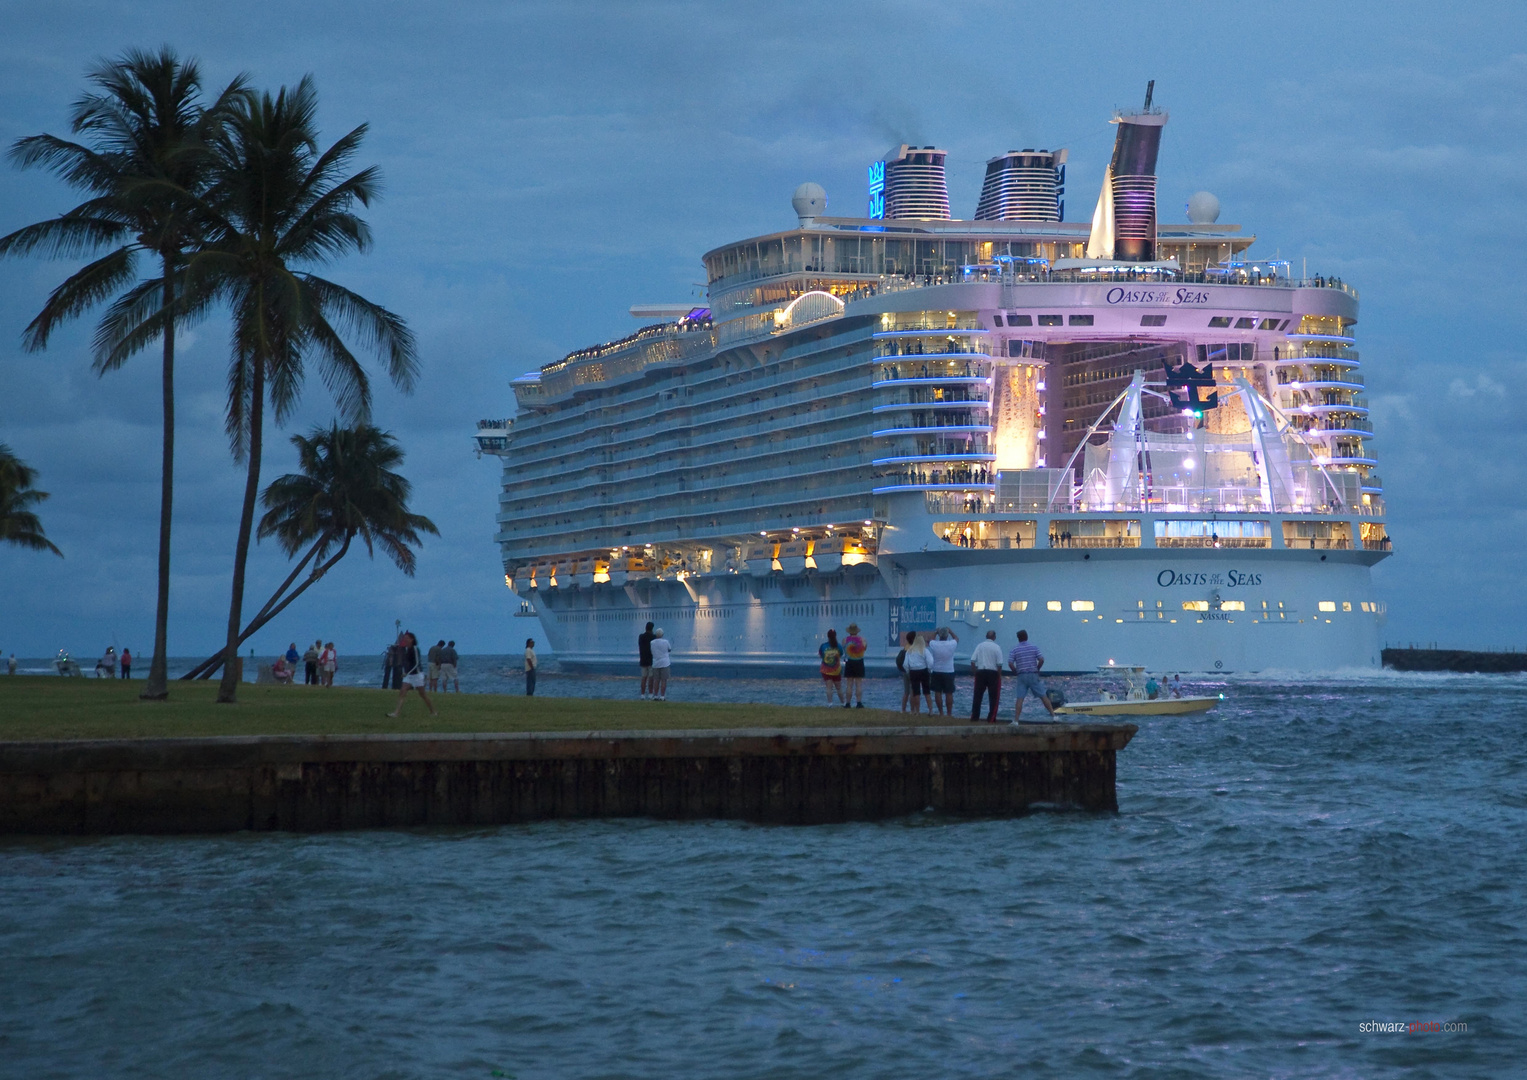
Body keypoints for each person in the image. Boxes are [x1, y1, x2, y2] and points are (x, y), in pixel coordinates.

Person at [1007, 629, 1056, 722]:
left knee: (1020, 698)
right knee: (1043, 695)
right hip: (1033, 674)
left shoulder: (1015, 649)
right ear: (1027, 637)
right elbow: (1041, 659)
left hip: (1021, 675)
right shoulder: (1034, 647)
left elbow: (1010, 663)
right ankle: (1054, 715)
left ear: (1018, 639)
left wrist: (1015, 671)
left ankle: (1016, 721)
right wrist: (1037, 668)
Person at [387, 631, 437, 718]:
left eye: (407, 638)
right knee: (402, 692)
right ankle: (396, 713)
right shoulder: (406, 649)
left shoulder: (415, 649)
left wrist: (407, 672)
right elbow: (405, 663)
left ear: (411, 639)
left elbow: (417, 663)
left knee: (423, 694)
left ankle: (433, 712)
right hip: (408, 676)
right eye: (404, 638)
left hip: (416, 675)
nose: (405, 640)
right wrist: (405, 672)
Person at [969, 630, 1004, 723]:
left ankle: (975, 717)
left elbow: (972, 661)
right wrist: (999, 675)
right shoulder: (997, 647)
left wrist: (975, 672)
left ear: (986, 636)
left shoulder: (980, 646)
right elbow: (999, 664)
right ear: (994, 637)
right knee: (993, 697)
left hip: (980, 672)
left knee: (977, 696)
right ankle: (991, 718)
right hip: (993, 673)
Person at [925, 627, 960, 716]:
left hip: (937, 670)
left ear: (939, 636)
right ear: (947, 635)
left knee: (937, 692)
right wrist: (951, 631)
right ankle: (949, 713)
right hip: (949, 671)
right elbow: (956, 639)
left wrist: (936, 631)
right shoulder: (951, 644)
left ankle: (941, 712)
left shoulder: (935, 644)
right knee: (949, 693)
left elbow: (930, 640)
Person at [904, 632, 931, 714]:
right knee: (927, 692)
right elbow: (931, 661)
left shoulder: (909, 651)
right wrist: (929, 670)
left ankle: (917, 711)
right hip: (923, 671)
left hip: (913, 671)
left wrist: (909, 671)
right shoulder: (925, 650)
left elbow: (905, 664)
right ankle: (930, 710)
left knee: (916, 692)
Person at [842, 623, 867, 708]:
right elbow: (865, 648)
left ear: (849, 631)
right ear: (857, 631)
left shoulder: (845, 640)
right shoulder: (863, 640)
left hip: (849, 662)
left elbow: (843, 649)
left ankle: (848, 703)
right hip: (859, 662)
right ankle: (859, 703)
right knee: (859, 683)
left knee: (849, 684)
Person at [819, 629, 846, 707]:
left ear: (828, 636)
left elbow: (821, 655)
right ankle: (843, 703)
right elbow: (841, 654)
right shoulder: (839, 646)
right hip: (836, 670)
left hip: (826, 669)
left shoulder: (823, 646)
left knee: (829, 687)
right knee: (839, 687)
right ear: (835, 636)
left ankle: (830, 703)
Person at [649, 628, 671, 700]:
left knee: (656, 680)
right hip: (665, 663)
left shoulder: (652, 642)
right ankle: (662, 696)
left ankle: (655, 695)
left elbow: (651, 651)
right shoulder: (666, 642)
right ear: (662, 635)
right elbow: (669, 649)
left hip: (655, 663)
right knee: (664, 680)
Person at [896, 631, 914, 712]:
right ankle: (913, 710)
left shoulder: (906, 647)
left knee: (906, 692)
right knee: (913, 691)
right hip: (911, 671)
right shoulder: (913, 648)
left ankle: (903, 709)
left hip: (904, 671)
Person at [638, 621, 656, 699]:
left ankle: (642, 694)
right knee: (651, 678)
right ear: (652, 629)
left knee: (643, 678)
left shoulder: (641, 636)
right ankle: (650, 693)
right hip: (651, 660)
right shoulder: (653, 637)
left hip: (643, 659)